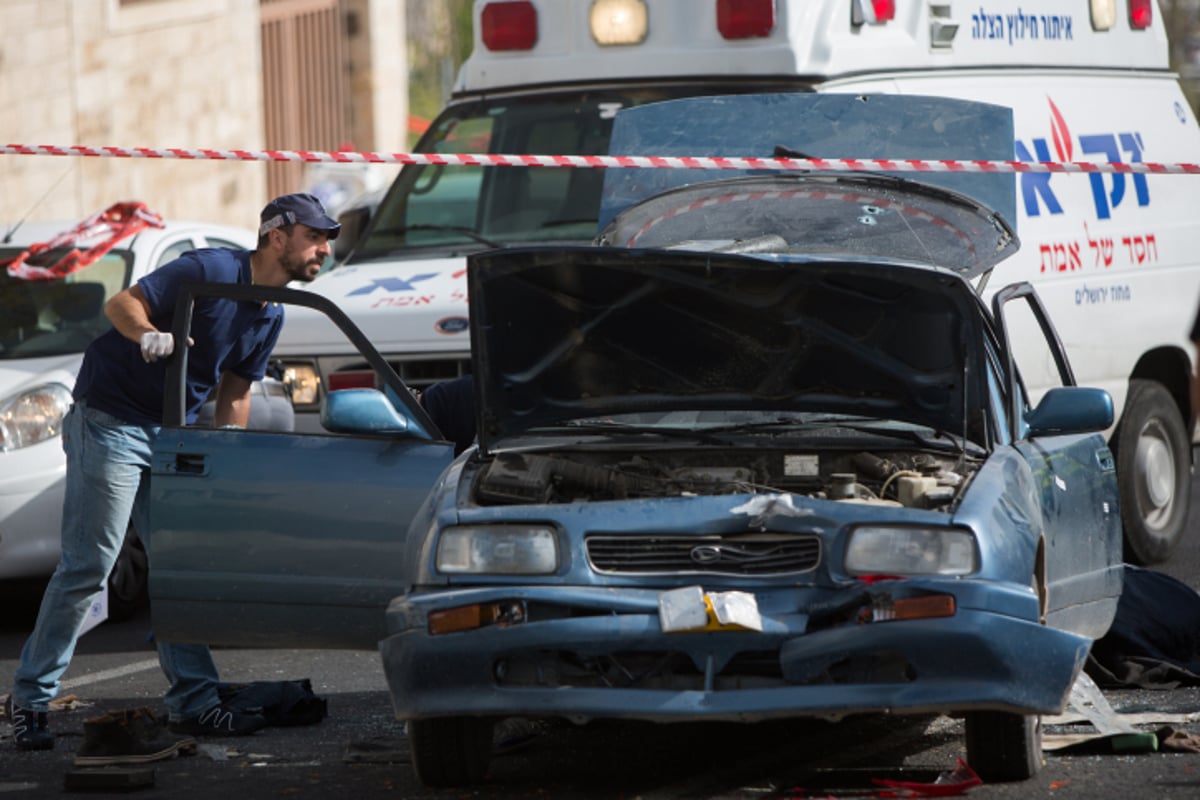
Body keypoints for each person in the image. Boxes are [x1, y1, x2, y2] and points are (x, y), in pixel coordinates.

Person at [7, 193, 340, 751]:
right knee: (91, 563)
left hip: (171, 433)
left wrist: (223, 460)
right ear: (277, 236)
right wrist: (146, 334)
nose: (324, 249)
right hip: (111, 421)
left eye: (326, 239)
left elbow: (234, 394)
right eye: (315, 236)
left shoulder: (270, 311)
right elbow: (122, 303)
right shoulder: (209, 268)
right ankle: (30, 699)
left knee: (177, 569)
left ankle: (195, 703)